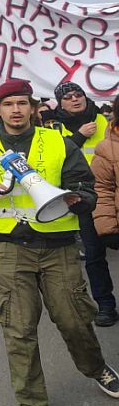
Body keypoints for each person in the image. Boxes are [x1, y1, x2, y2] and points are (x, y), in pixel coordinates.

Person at [0, 79, 119, 406]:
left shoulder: (58, 142)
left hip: (58, 249)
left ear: (32, 107)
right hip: (10, 249)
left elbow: (86, 187)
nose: (16, 110)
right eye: (9, 104)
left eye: (22, 103)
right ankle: (32, 401)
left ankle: (96, 367)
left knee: (74, 320)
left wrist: (79, 200)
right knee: (19, 330)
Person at [52, 82, 117, 327]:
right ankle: (106, 305)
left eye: (78, 94)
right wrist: (79, 136)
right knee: (94, 255)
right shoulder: (54, 128)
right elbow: (57, 158)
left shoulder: (104, 120)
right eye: (68, 97)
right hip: (84, 198)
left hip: (112, 195)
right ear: (60, 103)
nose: (75, 99)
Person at [91, 92, 119, 323]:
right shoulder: (107, 148)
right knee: (94, 258)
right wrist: (108, 227)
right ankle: (106, 306)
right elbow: (102, 188)